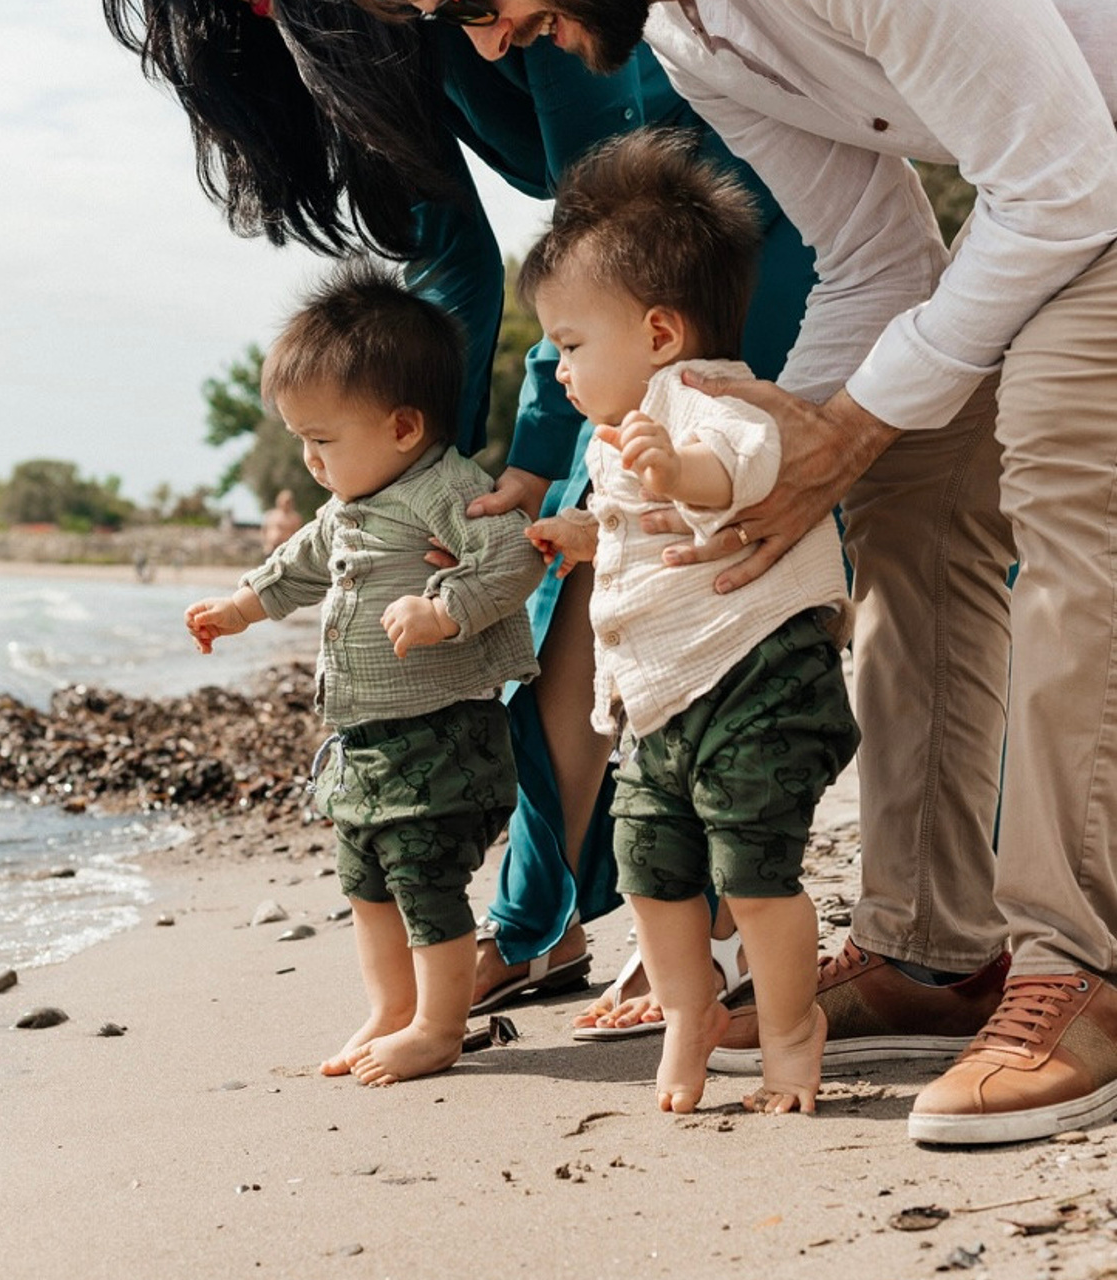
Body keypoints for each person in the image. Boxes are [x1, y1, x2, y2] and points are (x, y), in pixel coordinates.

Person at [368, 0, 1117, 1143]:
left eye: (470, 3)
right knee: (905, 490)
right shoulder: (686, 42)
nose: (484, 45)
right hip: (1060, 180)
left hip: (1087, 176)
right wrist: (771, 442)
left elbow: (1063, 182)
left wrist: (851, 420)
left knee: (1063, 468)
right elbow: (876, 261)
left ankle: (1084, 966)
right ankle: (925, 950)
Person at [102, 0, 818, 1024]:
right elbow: (448, 260)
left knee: (660, 597)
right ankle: (556, 922)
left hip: (718, 249)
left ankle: (698, 927)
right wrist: (426, 479)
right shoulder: (347, 49)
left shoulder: (507, 6)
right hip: (607, 286)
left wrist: (533, 447)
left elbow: (615, 205)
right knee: (554, 609)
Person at [518, 128, 857, 1113]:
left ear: (660, 333)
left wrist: (683, 472)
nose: (561, 369)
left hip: (754, 681)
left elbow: (740, 463)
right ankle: (686, 1012)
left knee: (752, 872)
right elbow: (637, 525)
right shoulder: (616, 432)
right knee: (651, 871)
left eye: (571, 346)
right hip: (661, 707)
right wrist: (585, 535)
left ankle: (792, 1026)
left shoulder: (705, 396)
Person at [184, 262, 545, 1084]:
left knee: (424, 883)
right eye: (301, 440)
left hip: (442, 731)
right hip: (366, 742)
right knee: (366, 882)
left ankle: (438, 1026)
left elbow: (514, 555)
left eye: (322, 440)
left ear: (404, 427)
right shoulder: (344, 508)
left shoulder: (448, 490)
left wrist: (446, 607)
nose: (310, 461)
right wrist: (238, 607)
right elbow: (297, 566)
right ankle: (389, 1009)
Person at [260, 489, 303, 555]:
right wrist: (266, 544)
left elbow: (298, 534)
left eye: (288, 502)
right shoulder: (271, 515)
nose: (285, 503)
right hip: (271, 547)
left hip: (285, 549)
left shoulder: (295, 517)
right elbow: (264, 530)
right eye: (284, 501)